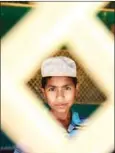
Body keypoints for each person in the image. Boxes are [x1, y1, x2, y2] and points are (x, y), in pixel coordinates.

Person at [14, 56, 84, 153]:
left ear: (76, 89)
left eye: (67, 88)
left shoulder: (89, 126)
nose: (60, 97)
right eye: (52, 89)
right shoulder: (32, 129)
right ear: (44, 92)